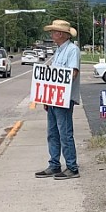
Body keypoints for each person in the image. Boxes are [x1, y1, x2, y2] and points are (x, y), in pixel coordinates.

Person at [35, 19, 82, 180]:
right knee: (53, 132)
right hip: (55, 98)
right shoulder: (59, 51)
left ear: (61, 34)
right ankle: (54, 164)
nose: (51, 34)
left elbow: (72, 73)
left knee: (65, 132)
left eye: (53, 31)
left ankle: (72, 167)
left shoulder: (72, 50)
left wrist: (56, 91)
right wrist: (47, 97)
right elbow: (52, 76)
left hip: (64, 98)